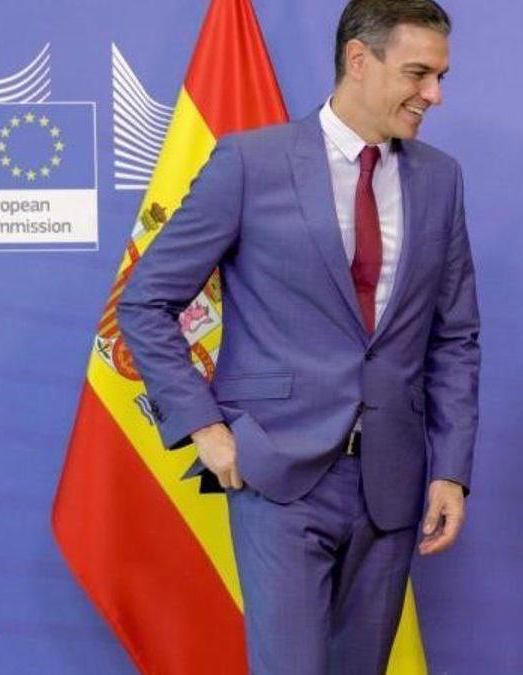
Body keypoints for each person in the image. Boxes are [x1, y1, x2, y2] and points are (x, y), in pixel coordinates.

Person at [117, 1, 480, 672]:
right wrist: (203, 425)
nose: (434, 94)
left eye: (441, 77)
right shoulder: (250, 164)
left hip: (393, 482)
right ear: (358, 61)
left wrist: (452, 468)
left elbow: (455, 337)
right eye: (419, 73)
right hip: (279, 473)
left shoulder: (441, 179)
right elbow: (144, 302)